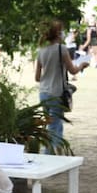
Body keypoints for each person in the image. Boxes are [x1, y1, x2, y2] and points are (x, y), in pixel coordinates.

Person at [34, 19, 88, 150]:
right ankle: (50, 155)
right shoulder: (61, 49)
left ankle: (53, 153)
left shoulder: (41, 51)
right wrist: (82, 65)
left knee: (52, 125)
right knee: (55, 128)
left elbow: (37, 77)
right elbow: (72, 70)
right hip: (56, 93)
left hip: (43, 93)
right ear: (58, 33)